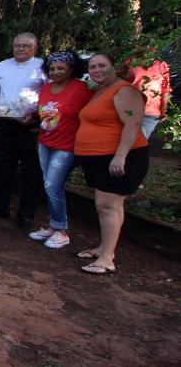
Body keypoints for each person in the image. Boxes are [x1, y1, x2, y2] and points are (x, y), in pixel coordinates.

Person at [74, 53, 149, 275]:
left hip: (118, 157)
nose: (97, 70)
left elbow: (133, 122)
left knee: (108, 206)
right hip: (98, 158)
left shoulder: (123, 90)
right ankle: (104, 249)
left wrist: (120, 155)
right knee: (108, 206)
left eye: (102, 66)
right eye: (92, 66)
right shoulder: (101, 91)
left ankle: (107, 259)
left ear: (113, 68)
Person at [0, 32, 48, 230]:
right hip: (5, 123)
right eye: (17, 45)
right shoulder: (2, 66)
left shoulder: (42, 67)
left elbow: (50, 95)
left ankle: (26, 213)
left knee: (31, 170)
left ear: (35, 48)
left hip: (30, 124)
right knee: (1, 166)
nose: (20, 49)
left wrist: (35, 114)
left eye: (25, 46)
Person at [30, 51, 93, 248]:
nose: (56, 72)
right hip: (46, 142)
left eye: (61, 68)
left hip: (67, 145)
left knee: (52, 185)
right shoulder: (46, 89)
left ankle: (61, 231)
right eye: (52, 69)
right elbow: (42, 113)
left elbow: (92, 113)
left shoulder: (81, 89)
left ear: (71, 69)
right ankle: (53, 226)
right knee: (50, 185)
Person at [126, 55, 171, 140]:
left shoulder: (162, 65)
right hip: (132, 110)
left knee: (140, 141)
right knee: (130, 140)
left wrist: (164, 109)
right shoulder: (129, 62)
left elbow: (165, 88)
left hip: (152, 113)